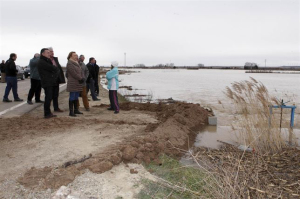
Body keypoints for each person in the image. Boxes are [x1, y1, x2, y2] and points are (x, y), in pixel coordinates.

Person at [37, 48, 59, 118]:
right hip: (47, 82)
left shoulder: (47, 60)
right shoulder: (42, 61)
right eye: (47, 52)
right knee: (48, 97)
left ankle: (48, 112)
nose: (49, 54)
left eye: (49, 52)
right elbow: (52, 68)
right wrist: (54, 69)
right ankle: (47, 113)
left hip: (50, 81)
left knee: (50, 97)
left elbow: (55, 69)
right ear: (43, 54)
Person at [66, 52, 84, 117]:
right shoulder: (69, 63)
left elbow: (81, 71)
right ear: (70, 56)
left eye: (76, 55)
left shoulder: (77, 63)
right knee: (72, 96)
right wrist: (80, 78)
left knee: (76, 96)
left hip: (78, 82)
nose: (76, 56)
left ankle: (76, 110)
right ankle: (71, 112)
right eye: (74, 55)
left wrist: (82, 77)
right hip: (73, 82)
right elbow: (73, 73)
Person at [49, 47, 66, 112]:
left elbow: (58, 68)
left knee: (56, 95)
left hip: (56, 80)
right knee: (49, 95)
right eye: (50, 51)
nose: (52, 53)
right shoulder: (47, 60)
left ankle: (56, 108)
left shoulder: (55, 59)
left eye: (53, 51)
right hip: (50, 80)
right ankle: (48, 109)